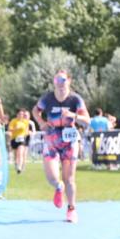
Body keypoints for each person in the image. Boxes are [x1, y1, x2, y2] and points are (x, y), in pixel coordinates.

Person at [33, 69, 89, 224]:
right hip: (52, 139)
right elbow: (35, 110)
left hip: (69, 141)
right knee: (52, 178)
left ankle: (71, 209)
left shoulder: (75, 99)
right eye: (57, 80)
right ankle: (58, 187)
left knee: (69, 178)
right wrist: (41, 123)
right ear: (54, 83)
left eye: (63, 80)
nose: (60, 83)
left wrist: (74, 116)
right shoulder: (47, 98)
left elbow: (87, 121)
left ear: (69, 81)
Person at [7, 108, 31, 174]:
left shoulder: (25, 122)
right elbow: (10, 129)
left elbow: (26, 130)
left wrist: (27, 133)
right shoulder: (13, 121)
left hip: (22, 139)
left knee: (20, 152)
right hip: (14, 139)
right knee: (16, 154)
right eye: (20, 114)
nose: (21, 115)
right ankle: (16, 165)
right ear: (17, 114)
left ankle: (19, 167)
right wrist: (16, 128)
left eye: (22, 114)